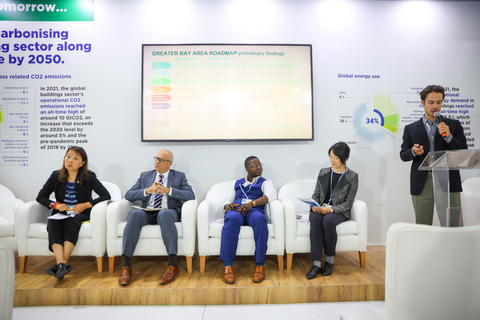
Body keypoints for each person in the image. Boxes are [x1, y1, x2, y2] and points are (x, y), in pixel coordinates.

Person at [118, 149, 195, 286]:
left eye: (162, 160)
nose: (157, 162)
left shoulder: (179, 176)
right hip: (147, 211)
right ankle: (126, 266)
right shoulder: (145, 176)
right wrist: (147, 190)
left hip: (168, 211)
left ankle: (172, 265)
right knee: (135, 214)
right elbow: (129, 195)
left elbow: (190, 195)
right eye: (156, 158)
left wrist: (168, 190)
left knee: (164, 214)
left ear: (170, 163)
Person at [36, 146, 111, 280]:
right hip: (61, 213)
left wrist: (85, 205)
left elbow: (106, 195)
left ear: (82, 163)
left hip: (81, 213)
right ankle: (62, 264)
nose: (70, 160)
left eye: (75, 158)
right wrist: (56, 205)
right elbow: (41, 197)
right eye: (68, 156)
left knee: (72, 221)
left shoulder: (89, 177)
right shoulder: (56, 175)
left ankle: (61, 265)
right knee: (53, 221)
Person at [400, 85, 467, 226]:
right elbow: (403, 155)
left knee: (452, 223)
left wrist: (449, 137)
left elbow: (463, 151)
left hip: (448, 178)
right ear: (423, 103)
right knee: (422, 224)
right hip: (423, 181)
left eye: (439, 102)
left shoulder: (453, 125)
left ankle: (452, 248)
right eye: (431, 102)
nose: (435, 106)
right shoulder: (411, 128)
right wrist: (413, 151)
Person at [220, 156, 277, 284]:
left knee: (260, 219)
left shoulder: (266, 182)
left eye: (260, 165)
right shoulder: (237, 183)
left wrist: (252, 204)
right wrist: (227, 206)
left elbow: (271, 196)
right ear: (247, 169)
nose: (259, 168)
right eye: (255, 166)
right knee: (231, 218)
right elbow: (226, 199)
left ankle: (260, 265)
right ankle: (228, 265)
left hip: (254, 210)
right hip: (238, 210)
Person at [306, 142, 358, 279]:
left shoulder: (352, 176)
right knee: (315, 218)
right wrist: (313, 205)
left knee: (328, 220)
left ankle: (329, 261)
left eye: (336, 158)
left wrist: (332, 210)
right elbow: (316, 194)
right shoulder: (324, 172)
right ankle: (316, 264)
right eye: (330, 157)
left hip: (338, 212)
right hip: (320, 207)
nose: (332, 161)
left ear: (344, 158)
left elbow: (349, 202)